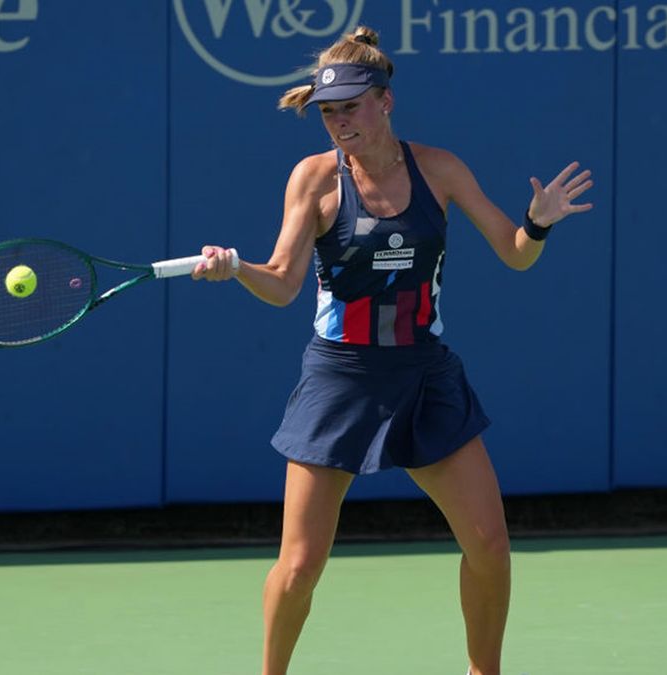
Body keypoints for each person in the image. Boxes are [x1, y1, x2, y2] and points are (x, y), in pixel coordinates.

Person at [190, 26, 593, 675]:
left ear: (385, 100)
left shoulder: (440, 169)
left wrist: (539, 221)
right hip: (341, 377)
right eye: (328, 112)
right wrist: (236, 267)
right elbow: (284, 282)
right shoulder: (314, 181)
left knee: (490, 544)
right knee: (298, 568)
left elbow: (516, 253)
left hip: (425, 375)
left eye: (350, 106)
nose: (340, 122)